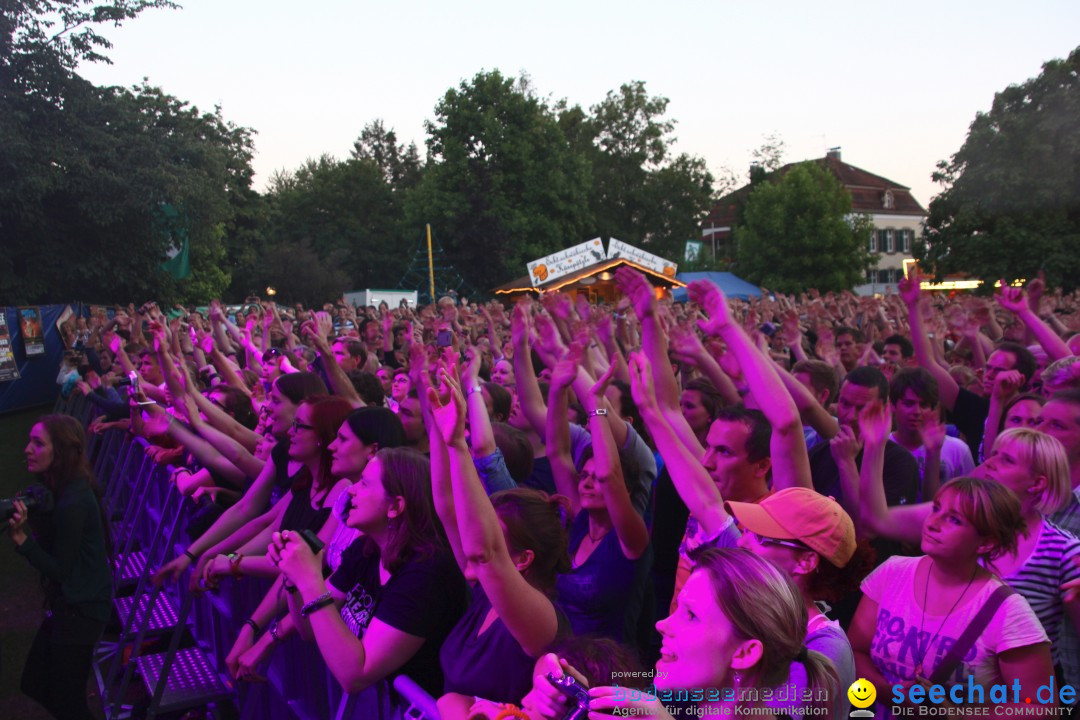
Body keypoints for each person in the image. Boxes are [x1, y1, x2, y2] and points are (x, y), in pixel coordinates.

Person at [851, 428, 1056, 715]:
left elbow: (1043, 709)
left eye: (954, 520)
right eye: (936, 508)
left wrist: (956, 714)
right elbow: (856, 652)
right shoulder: (892, 572)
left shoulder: (1008, 612)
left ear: (987, 542)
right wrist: (890, 694)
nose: (933, 523)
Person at [269, 448, 467, 699]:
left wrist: (310, 580)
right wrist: (293, 581)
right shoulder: (367, 550)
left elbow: (356, 675)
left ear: (395, 506)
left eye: (363, 484)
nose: (351, 490)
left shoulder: (426, 573)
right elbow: (309, 626)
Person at [550, 548, 839, 720]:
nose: (662, 625)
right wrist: (574, 702)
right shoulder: (678, 704)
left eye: (691, 615)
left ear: (744, 653)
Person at [9, 415, 112, 720]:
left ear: (62, 451)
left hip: (82, 611)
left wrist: (22, 540)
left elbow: (59, 570)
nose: (28, 449)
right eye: (30, 441)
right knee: (36, 684)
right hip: (71, 605)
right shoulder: (67, 490)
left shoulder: (74, 500)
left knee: (68, 703)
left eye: (38, 443)